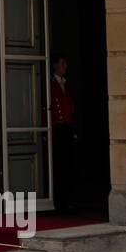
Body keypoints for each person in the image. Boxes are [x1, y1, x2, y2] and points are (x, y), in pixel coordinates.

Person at [49, 54, 77, 214]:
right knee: (59, 168)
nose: (65, 66)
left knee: (68, 166)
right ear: (55, 66)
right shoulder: (51, 83)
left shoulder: (66, 84)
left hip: (66, 129)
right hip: (57, 129)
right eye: (62, 63)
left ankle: (67, 201)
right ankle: (59, 202)